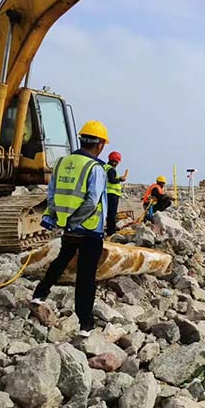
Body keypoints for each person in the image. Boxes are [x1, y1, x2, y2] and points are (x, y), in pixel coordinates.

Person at [32, 120, 109, 337]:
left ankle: (39, 294)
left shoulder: (62, 162)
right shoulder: (96, 168)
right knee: (86, 277)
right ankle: (85, 325)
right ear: (100, 144)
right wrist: (77, 220)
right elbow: (93, 201)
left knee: (62, 259)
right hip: (89, 229)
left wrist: (59, 218)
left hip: (67, 227)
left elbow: (52, 194)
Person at [103, 150, 127, 236]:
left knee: (108, 212)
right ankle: (111, 231)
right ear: (114, 161)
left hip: (107, 193)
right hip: (112, 194)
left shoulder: (105, 167)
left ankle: (109, 228)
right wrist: (120, 179)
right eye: (117, 162)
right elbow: (112, 180)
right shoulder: (111, 170)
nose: (117, 164)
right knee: (112, 213)